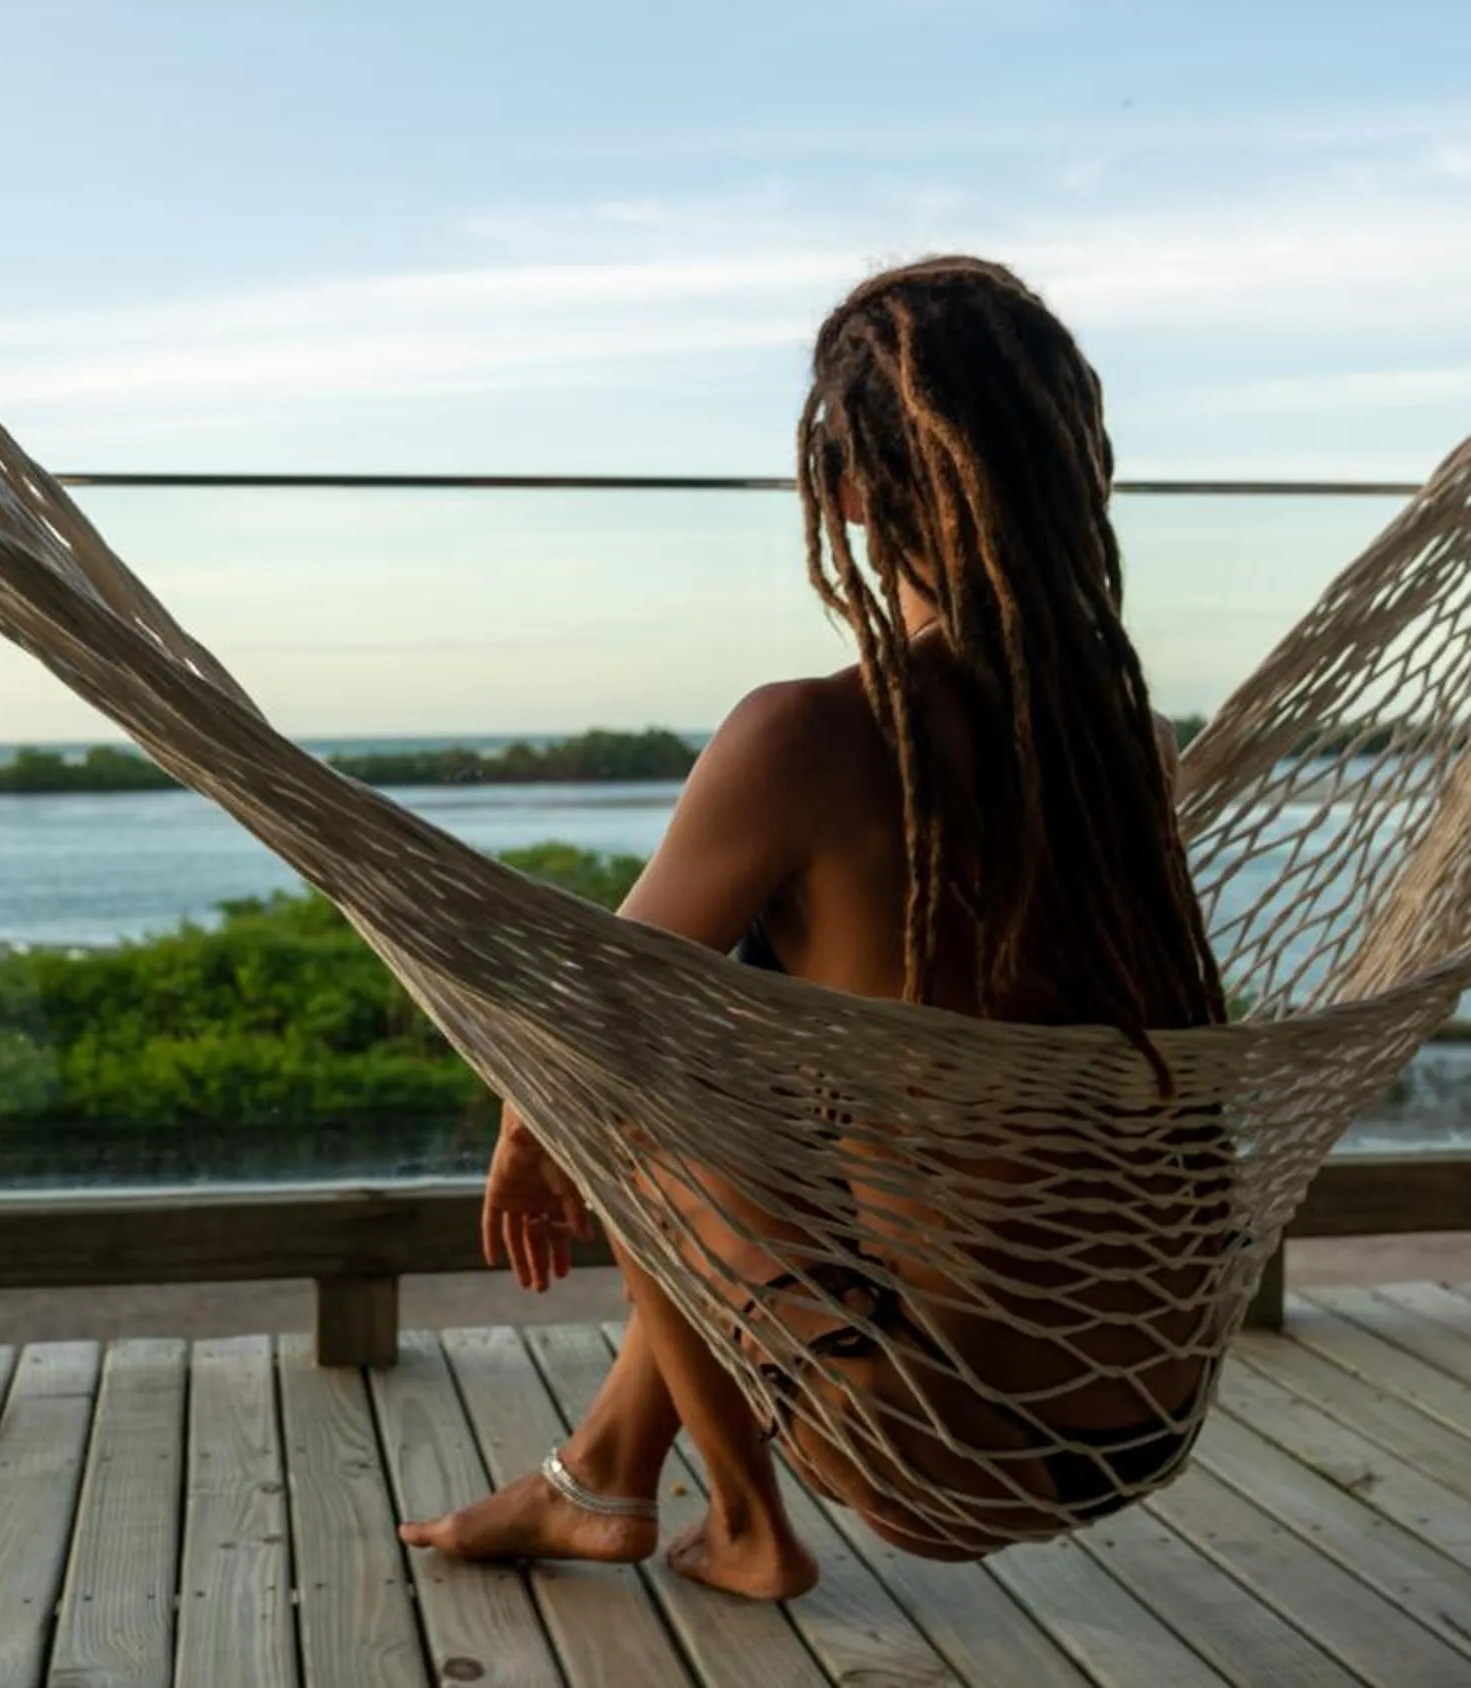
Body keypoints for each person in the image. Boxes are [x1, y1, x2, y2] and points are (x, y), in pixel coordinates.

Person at [398, 256, 1229, 1598]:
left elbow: (593, 1029)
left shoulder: (809, 734)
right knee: (739, 1043)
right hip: (1146, 1409)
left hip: (947, 1447)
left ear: (842, 492)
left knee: (657, 1093)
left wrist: (526, 1127)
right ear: (1080, 472)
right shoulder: (1126, 744)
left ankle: (743, 1525)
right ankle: (601, 1478)